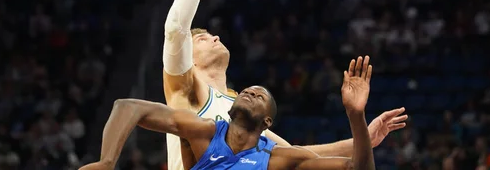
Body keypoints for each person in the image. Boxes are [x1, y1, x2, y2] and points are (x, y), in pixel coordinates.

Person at [162, 0, 408, 170]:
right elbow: (176, 27)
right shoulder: (186, 87)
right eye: (203, 38)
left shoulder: (243, 109)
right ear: (189, 58)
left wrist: (363, 139)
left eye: (212, 35)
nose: (215, 37)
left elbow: (293, 153)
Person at [81, 56, 377, 170]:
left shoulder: (278, 160)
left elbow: (358, 169)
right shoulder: (205, 132)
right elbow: (127, 106)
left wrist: (355, 116)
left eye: (259, 95)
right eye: (248, 90)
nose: (250, 91)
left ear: (267, 121)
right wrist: (107, 161)